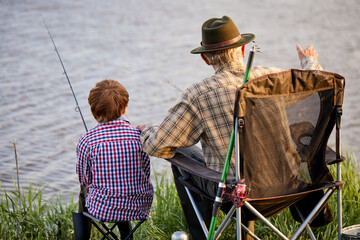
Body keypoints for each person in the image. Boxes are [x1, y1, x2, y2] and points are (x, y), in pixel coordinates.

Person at [137, 15, 322, 240]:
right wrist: (309, 61)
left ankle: (201, 236)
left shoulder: (199, 94)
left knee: (183, 156)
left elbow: (159, 146)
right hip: (289, 187)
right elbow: (315, 84)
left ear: (205, 58)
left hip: (235, 195)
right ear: (242, 49)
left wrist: (147, 129)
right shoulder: (272, 79)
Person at [76, 79, 154, 239]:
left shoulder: (87, 140)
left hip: (102, 209)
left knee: (84, 190)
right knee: (123, 185)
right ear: (125, 107)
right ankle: (127, 236)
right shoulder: (139, 136)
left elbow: (84, 179)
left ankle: (81, 237)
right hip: (139, 207)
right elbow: (145, 171)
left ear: (95, 111)